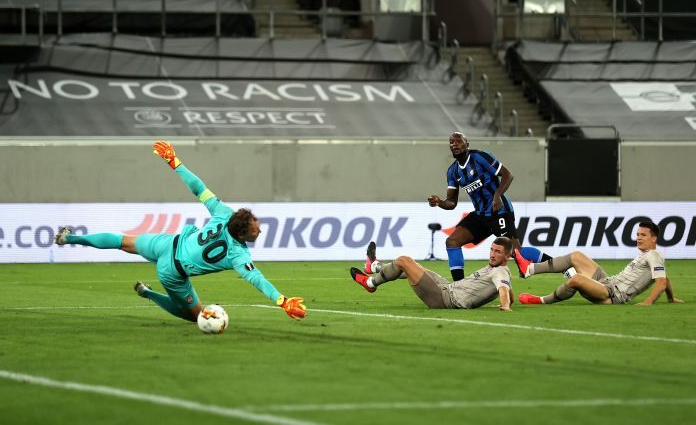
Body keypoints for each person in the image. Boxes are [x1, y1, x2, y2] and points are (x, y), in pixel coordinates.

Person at [54, 140, 307, 323]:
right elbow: (257, 279)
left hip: (168, 243)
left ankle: (69, 237)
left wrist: (175, 162)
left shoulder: (223, 212)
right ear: (242, 236)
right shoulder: (238, 255)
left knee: (123, 241)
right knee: (197, 317)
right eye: (255, 229)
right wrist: (282, 301)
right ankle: (148, 293)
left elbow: (199, 188)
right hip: (172, 272)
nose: (260, 230)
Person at [420, 132, 550, 281]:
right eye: (451, 142)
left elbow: (508, 174)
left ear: (467, 144)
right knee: (452, 241)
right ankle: (459, 287)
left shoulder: (480, 157)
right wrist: (439, 202)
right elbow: (451, 203)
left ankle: (562, 266)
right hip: (480, 215)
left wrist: (497, 195)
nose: (455, 144)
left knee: (516, 252)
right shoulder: (453, 171)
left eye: (458, 141)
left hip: (499, 211)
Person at [516, 221, 683, 306]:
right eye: (638, 234)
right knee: (576, 256)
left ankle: (542, 300)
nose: (638, 238)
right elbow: (664, 278)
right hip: (608, 283)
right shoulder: (647, 255)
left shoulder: (654, 255)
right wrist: (671, 299)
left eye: (643, 235)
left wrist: (648, 303)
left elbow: (661, 282)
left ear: (654, 238)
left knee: (577, 279)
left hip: (611, 295)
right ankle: (529, 269)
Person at [352, 237, 515, 311]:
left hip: (446, 299)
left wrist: (505, 305)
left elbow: (503, 289)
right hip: (447, 287)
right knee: (412, 266)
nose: (492, 254)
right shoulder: (500, 272)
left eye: (498, 252)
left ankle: (370, 283)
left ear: (507, 256)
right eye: (492, 250)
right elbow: (506, 288)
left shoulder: (500, 271)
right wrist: (509, 299)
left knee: (404, 261)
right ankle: (375, 266)